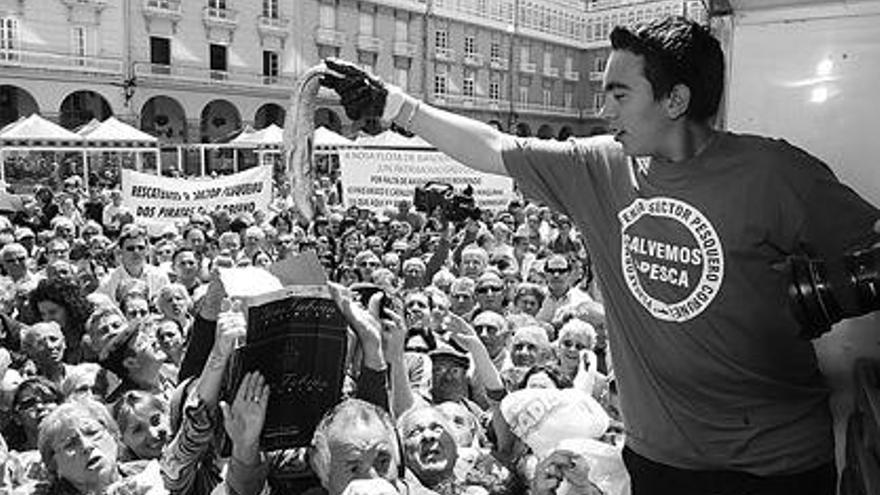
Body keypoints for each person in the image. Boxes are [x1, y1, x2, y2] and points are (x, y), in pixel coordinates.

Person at [321, 16, 880, 494]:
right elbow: (494, 147)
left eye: (619, 94)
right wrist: (397, 105)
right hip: (660, 463)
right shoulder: (601, 168)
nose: (604, 109)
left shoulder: (773, 173)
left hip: (776, 466)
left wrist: (826, 293)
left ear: (675, 99)